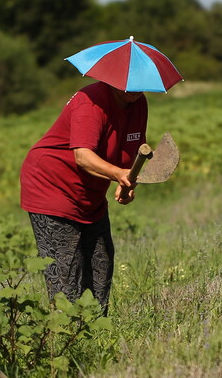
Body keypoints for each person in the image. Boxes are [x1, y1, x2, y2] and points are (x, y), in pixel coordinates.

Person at [20, 81, 147, 312]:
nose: (134, 87)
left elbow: (130, 150)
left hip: (90, 195)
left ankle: (96, 329)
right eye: (128, 81)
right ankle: (66, 332)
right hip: (52, 186)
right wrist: (117, 174)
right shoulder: (90, 101)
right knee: (67, 273)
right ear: (113, 77)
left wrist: (126, 181)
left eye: (140, 80)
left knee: (101, 266)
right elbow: (83, 156)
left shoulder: (138, 104)